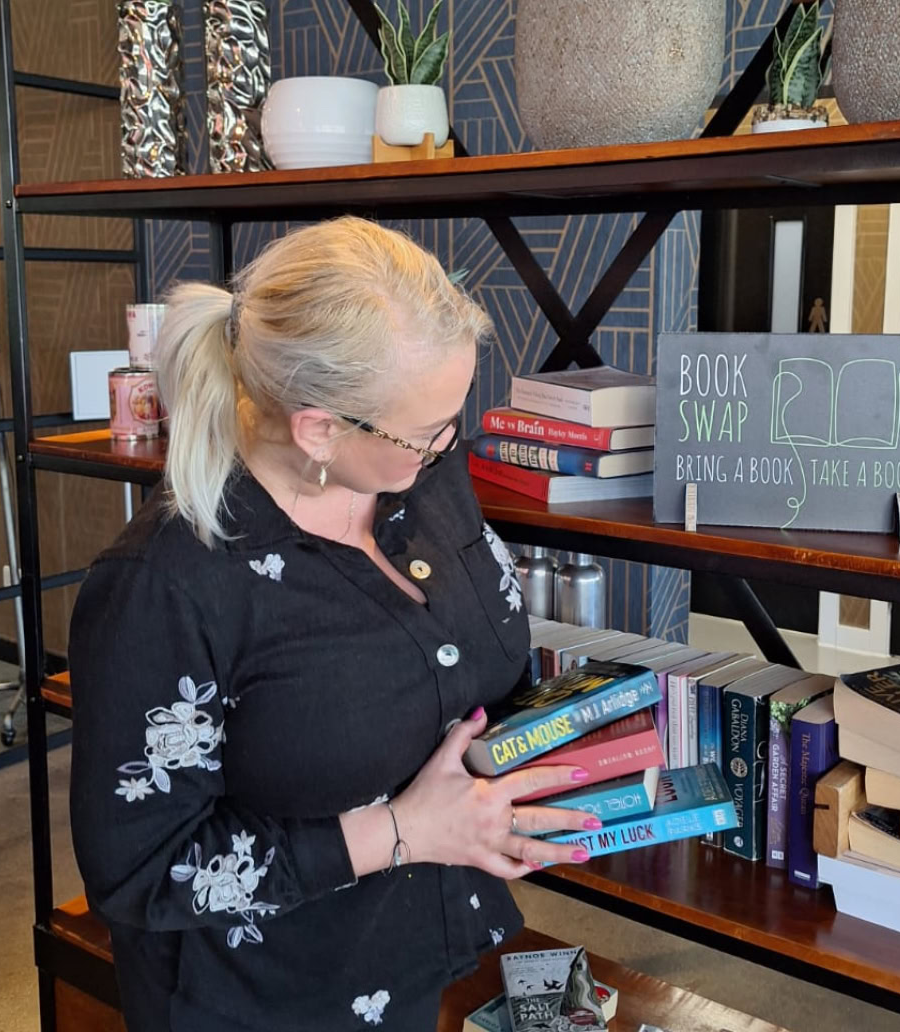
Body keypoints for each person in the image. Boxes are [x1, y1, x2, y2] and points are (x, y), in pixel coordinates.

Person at [67, 217, 598, 1032]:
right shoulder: (167, 588)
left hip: (435, 955)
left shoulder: (416, 475)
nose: (450, 444)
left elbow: (461, 665)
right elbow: (144, 869)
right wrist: (406, 831)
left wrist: (513, 782)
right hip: (274, 1000)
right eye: (428, 432)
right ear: (317, 429)